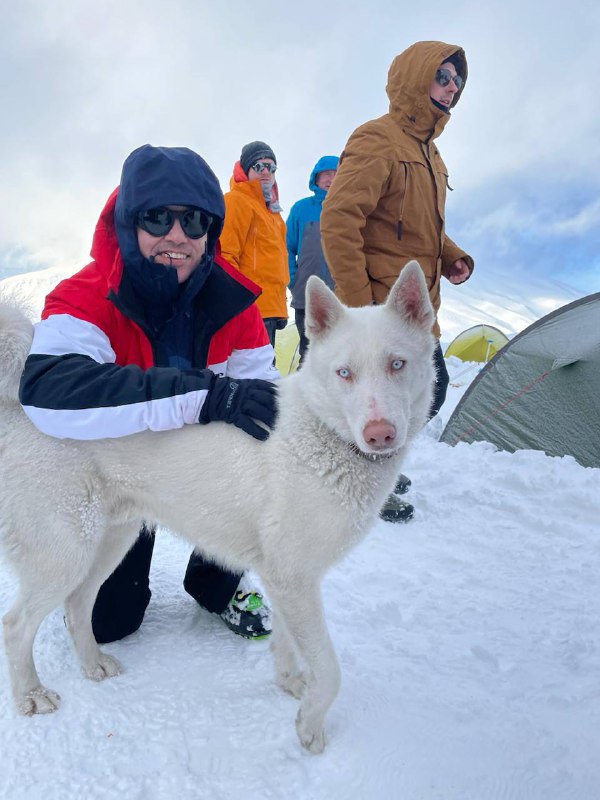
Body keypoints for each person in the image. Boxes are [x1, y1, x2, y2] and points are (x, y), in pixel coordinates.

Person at [19, 144, 280, 641]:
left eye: (195, 221)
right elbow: (48, 388)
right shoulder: (89, 294)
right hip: (122, 469)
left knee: (261, 450)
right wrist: (205, 395)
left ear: (212, 231)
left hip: (201, 462)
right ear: (128, 222)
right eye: (157, 218)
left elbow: (265, 396)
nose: (176, 236)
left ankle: (217, 581)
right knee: (108, 624)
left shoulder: (235, 302)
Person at [320, 41, 474, 523]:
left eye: (458, 81)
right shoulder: (377, 139)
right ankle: (362, 473)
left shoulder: (433, 156)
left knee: (427, 391)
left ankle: (372, 459)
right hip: (377, 308)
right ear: (416, 76)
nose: (452, 87)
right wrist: (357, 309)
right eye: (443, 76)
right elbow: (340, 220)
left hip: (416, 308)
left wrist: (452, 256)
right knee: (397, 394)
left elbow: (428, 228)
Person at [219, 141, 289, 349]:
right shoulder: (236, 201)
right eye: (259, 166)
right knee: (254, 375)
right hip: (250, 308)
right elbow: (226, 255)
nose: (266, 172)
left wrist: (281, 306)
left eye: (271, 167)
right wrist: (238, 305)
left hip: (271, 308)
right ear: (246, 170)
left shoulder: (273, 213)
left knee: (265, 372)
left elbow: (276, 263)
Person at [286, 155, 339, 362]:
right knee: (309, 355)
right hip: (305, 296)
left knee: (340, 354)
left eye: (336, 174)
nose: (331, 179)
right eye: (325, 174)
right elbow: (286, 248)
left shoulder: (349, 209)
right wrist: (294, 279)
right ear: (315, 179)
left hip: (341, 296)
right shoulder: (301, 209)